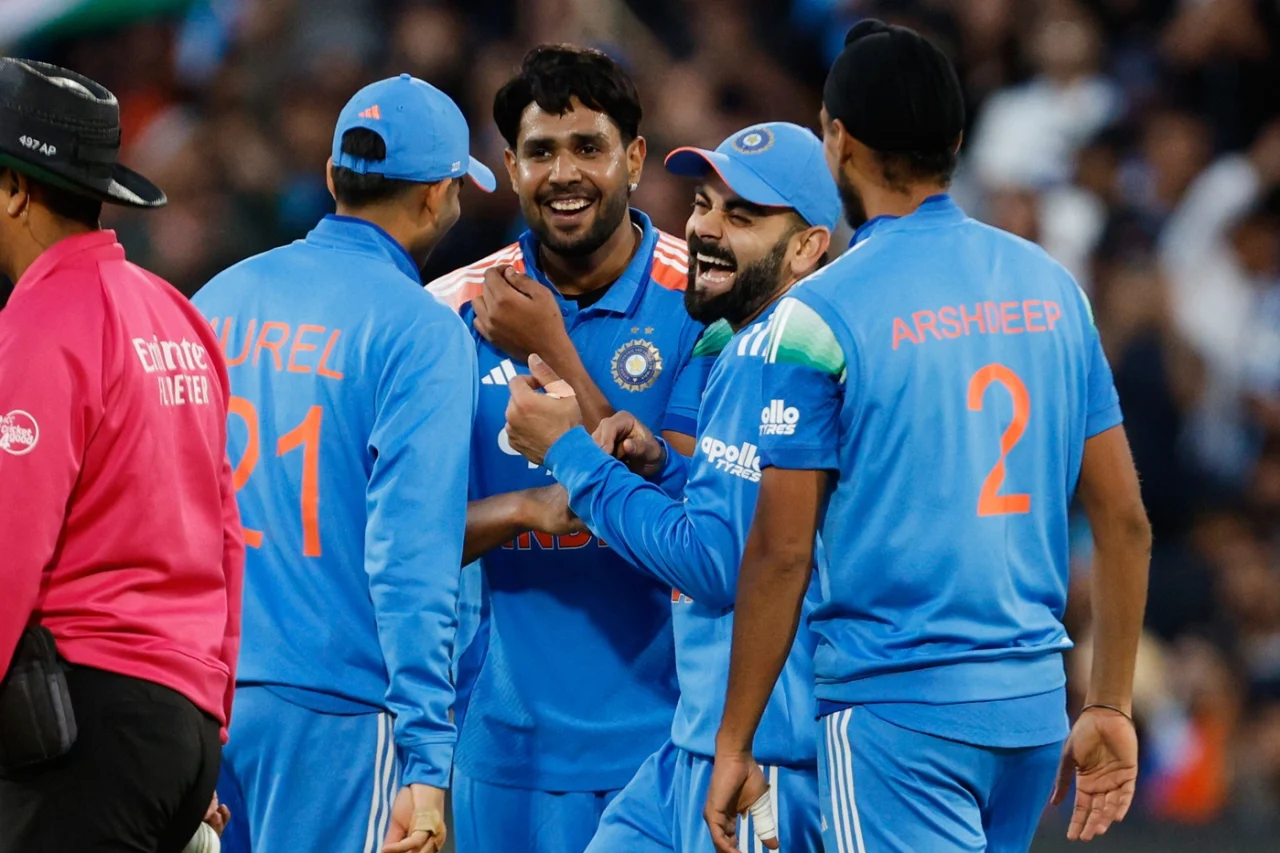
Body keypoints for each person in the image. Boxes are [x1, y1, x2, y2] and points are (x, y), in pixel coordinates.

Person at [703, 21, 1152, 853]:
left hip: (894, 717)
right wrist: (1110, 702)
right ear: (954, 141)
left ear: (838, 140)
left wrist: (735, 739)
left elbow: (780, 553)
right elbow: (1124, 518)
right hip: (1028, 713)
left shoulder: (818, 313)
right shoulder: (1053, 287)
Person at [501, 122, 840, 853]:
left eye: (741, 217)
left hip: (766, 757)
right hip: (693, 745)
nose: (706, 229)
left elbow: (716, 566)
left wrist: (568, 453)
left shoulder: (777, 357)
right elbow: (742, 524)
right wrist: (668, 468)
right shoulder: (745, 343)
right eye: (703, 203)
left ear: (809, 247)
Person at [193, 74, 492, 853]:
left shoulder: (217, 298)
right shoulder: (421, 332)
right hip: (339, 709)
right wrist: (429, 755)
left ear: (332, 176)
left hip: (201, 694)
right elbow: (412, 557)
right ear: (439, 197)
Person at [425, 45, 704, 853]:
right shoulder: (448, 314)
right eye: (541, 152)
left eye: (589, 146)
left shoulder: (702, 299)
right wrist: (519, 511)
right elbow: (398, 535)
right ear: (510, 168)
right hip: (499, 751)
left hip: (665, 745)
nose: (565, 172)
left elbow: (693, 522)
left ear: (635, 158)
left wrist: (552, 345)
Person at [0, 59, 242, 852]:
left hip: (82, 729)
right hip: (184, 727)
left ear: (14, 190)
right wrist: (209, 722)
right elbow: (226, 539)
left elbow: (10, 543)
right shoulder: (174, 312)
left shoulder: (42, 325)